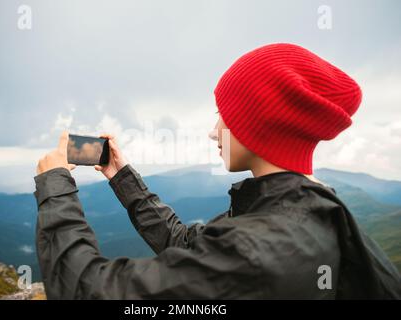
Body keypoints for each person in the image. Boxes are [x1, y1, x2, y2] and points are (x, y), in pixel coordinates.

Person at [34, 43, 401, 299]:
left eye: (221, 115)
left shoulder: (263, 247)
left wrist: (56, 188)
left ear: (257, 123)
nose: (214, 130)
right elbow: (188, 244)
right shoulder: (305, 208)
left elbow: (85, 290)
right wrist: (121, 175)